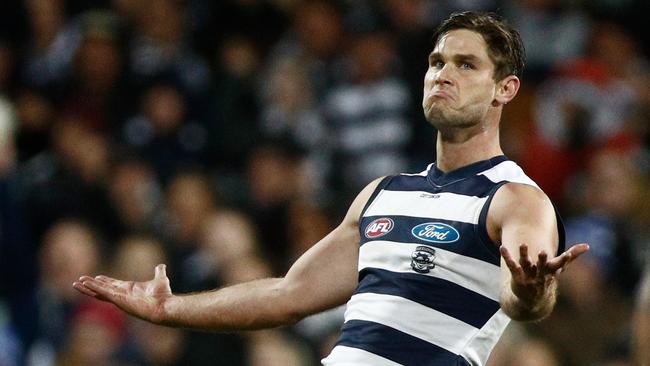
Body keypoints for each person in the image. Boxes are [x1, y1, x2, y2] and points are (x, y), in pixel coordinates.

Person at [73, 11, 589, 366]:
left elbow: (523, 298)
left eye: (466, 64)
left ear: (506, 88)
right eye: (436, 62)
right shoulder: (381, 194)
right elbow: (288, 294)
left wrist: (532, 289)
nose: (442, 75)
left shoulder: (516, 199)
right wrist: (168, 310)